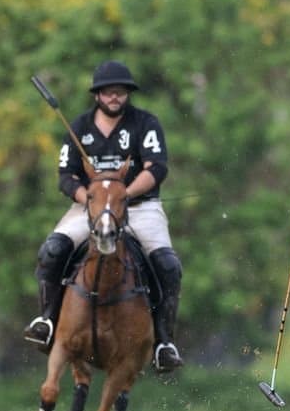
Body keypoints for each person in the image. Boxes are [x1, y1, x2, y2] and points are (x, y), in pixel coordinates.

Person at [24, 60, 184, 372]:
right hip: (91, 209)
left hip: (139, 208)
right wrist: (95, 201)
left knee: (168, 266)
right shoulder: (79, 128)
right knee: (52, 251)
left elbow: (157, 168)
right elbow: (66, 177)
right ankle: (47, 321)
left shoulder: (145, 124)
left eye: (120, 92)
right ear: (97, 95)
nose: (114, 97)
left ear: (128, 94)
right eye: (108, 92)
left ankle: (164, 342)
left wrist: (122, 195)